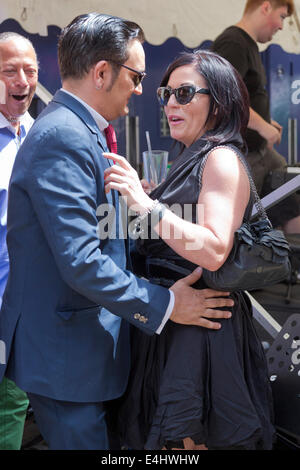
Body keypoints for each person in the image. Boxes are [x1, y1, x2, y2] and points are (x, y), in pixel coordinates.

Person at [0, 14, 234, 451]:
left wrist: (140, 208)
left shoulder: (78, 130)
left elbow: (92, 231)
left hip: (79, 351)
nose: (143, 89)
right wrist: (166, 304)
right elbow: (82, 261)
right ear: (102, 72)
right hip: (66, 359)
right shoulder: (63, 137)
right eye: (137, 76)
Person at [103, 50, 276, 450]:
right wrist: (149, 199)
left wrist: (149, 207)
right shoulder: (192, 156)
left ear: (219, 101)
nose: (169, 104)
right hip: (176, 325)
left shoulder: (220, 158)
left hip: (202, 341)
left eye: (183, 93)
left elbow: (215, 248)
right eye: (166, 93)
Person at [211, 0, 300, 234]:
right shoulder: (233, 43)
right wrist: (262, 127)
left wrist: (265, 122)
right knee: (248, 226)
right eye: (281, 16)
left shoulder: (248, 46)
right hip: (243, 156)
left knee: (289, 196)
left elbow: (245, 96)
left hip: (263, 154)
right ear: (266, 7)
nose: (282, 26)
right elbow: (224, 96)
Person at [0, 32, 38, 450]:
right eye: (10, 71)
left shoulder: (38, 134)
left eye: (30, 70)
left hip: (23, 307)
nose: (22, 79)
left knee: (13, 401)